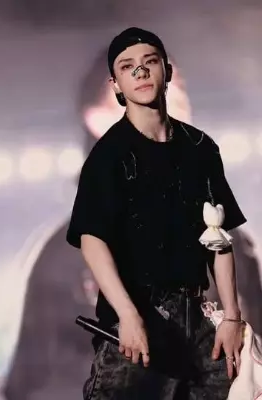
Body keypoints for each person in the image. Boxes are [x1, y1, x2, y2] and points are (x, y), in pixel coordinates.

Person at [3, 39, 195, 400]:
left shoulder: (225, 245)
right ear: (99, 120)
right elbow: (35, 386)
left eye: (175, 90)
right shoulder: (68, 256)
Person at [66, 27, 247, 399]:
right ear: (116, 85)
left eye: (150, 62)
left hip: (198, 317)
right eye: (128, 66)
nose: (141, 71)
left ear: (167, 71)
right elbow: (92, 240)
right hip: (137, 317)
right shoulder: (108, 156)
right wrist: (127, 315)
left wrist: (232, 317)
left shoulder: (200, 148)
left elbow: (219, 237)